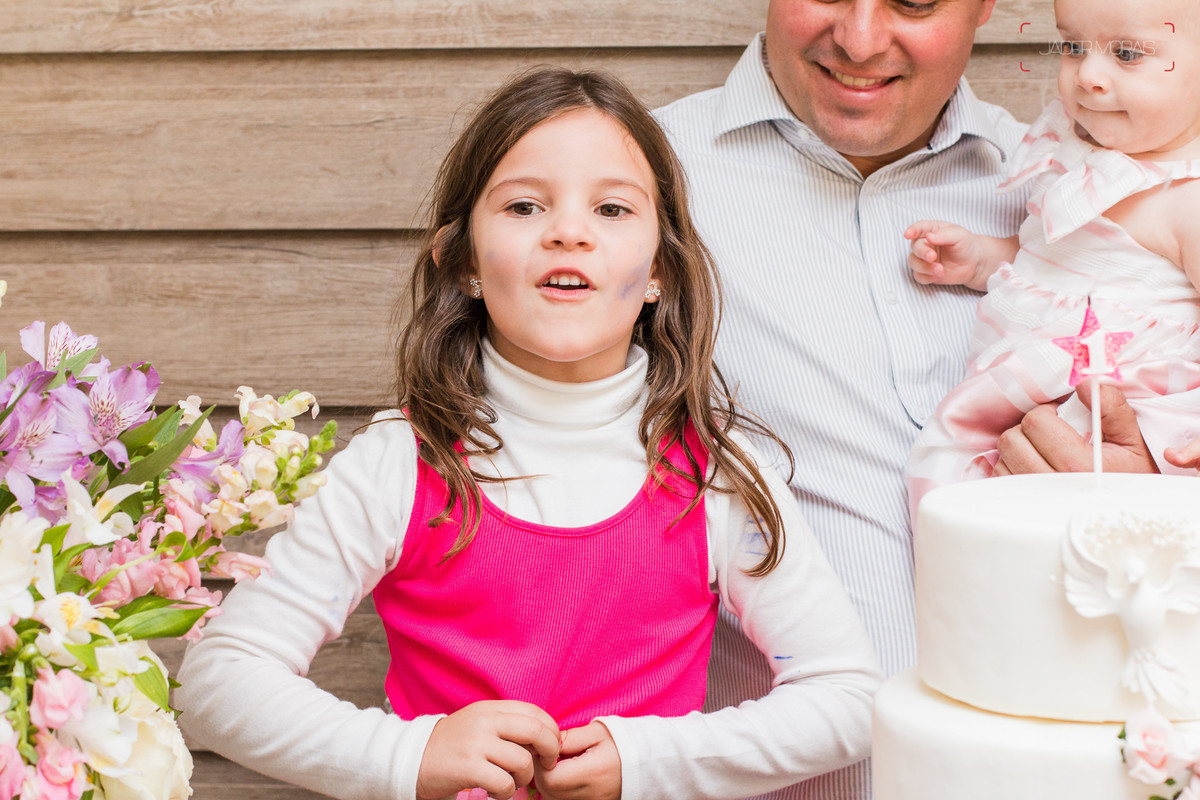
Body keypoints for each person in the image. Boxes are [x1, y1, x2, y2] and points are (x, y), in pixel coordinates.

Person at [177, 67, 880, 800]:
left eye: (611, 208)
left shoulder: (721, 475)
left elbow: (849, 697)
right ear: (464, 264)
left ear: (659, 272)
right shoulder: (395, 465)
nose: (568, 231)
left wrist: (649, 761)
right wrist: (408, 757)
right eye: (523, 206)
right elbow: (218, 684)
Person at [649, 0, 1167, 796]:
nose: (859, 40)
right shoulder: (630, 186)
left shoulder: (1091, 186)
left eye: (914, 0)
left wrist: (1159, 508)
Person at [904, 0, 1200, 512]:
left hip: (1121, 405)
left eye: (1127, 54)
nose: (1088, 75)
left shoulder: (1185, 201)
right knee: (965, 502)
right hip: (1023, 395)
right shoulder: (1077, 159)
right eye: (1072, 47)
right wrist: (980, 260)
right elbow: (1051, 258)